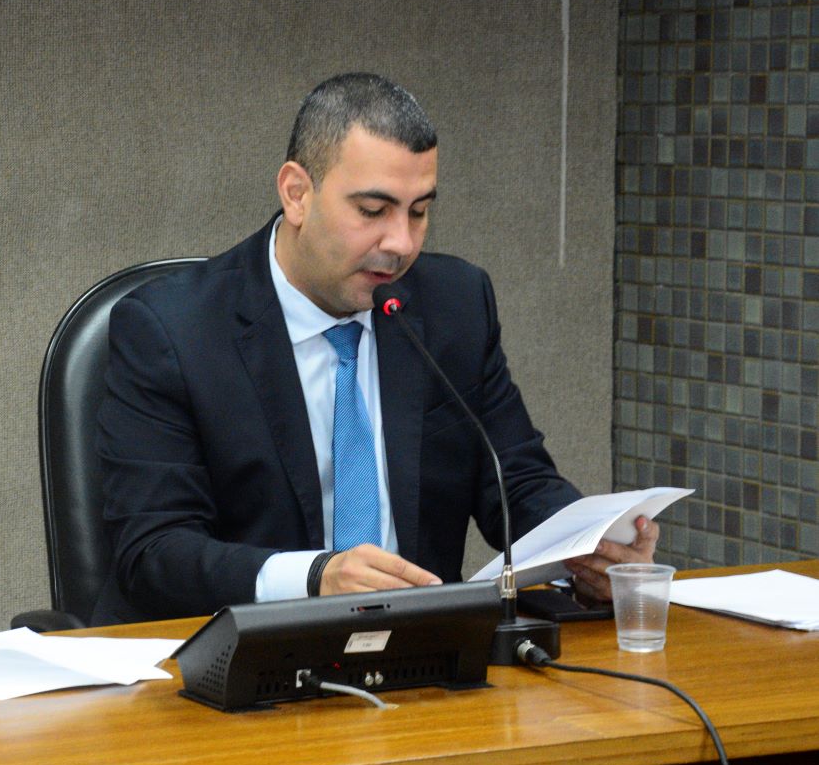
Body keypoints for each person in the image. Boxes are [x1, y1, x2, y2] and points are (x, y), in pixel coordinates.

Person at [94, 73, 657, 625]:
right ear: (296, 194)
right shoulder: (172, 330)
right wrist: (316, 577)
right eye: (372, 211)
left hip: (421, 652)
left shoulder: (454, 306)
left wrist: (591, 546)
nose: (401, 243)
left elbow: (516, 479)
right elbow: (154, 551)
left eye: (419, 211)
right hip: (238, 657)